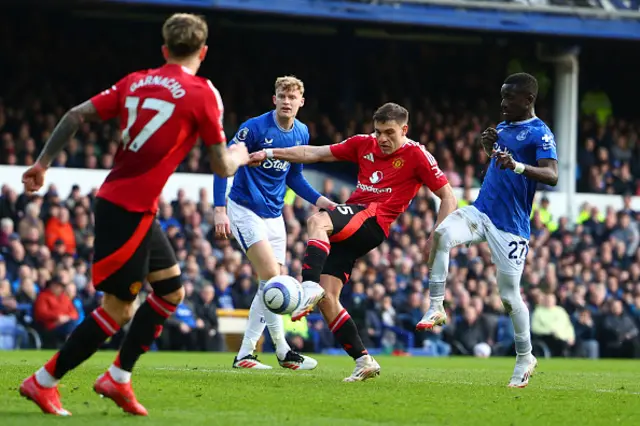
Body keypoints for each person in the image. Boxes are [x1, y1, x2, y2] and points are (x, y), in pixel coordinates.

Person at [19, 13, 249, 416]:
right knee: (119, 309)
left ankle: (118, 378)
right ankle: (43, 382)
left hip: (133, 207)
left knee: (171, 292)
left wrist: (42, 164)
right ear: (203, 51)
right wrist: (241, 155)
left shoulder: (135, 81)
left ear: (164, 49)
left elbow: (75, 114)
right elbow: (221, 167)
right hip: (126, 210)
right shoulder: (202, 93)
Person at [249, 102, 457, 381]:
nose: (382, 139)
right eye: (378, 131)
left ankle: (307, 286)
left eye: (390, 132)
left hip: (373, 219)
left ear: (404, 129)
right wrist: (270, 152)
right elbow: (314, 153)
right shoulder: (363, 144)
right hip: (355, 222)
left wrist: (437, 236)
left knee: (317, 221)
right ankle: (363, 360)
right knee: (328, 298)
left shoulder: (417, 155)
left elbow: (449, 197)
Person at [417, 73, 558, 388]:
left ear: (528, 100)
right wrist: (488, 150)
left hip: (511, 227)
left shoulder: (541, 133)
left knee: (509, 296)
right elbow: (501, 165)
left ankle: (525, 356)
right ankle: (437, 305)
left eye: (509, 98)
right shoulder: (504, 129)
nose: (503, 103)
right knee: (441, 233)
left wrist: (518, 166)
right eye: (502, 96)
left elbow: (551, 175)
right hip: (481, 211)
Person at [213, 76, 334, 370]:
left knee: (269, 284)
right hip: (244, 208)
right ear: (274, 99)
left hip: (274, 213)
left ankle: (245, 355)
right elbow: (223, 163)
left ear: (301, 102)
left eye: (293, 97)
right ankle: (283, 351)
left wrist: (322, 202)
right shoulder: (254, 128)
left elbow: (294, 177)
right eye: (282, 96)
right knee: (272, 276)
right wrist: (219, 209)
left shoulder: (301, 132)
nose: (287, 101)